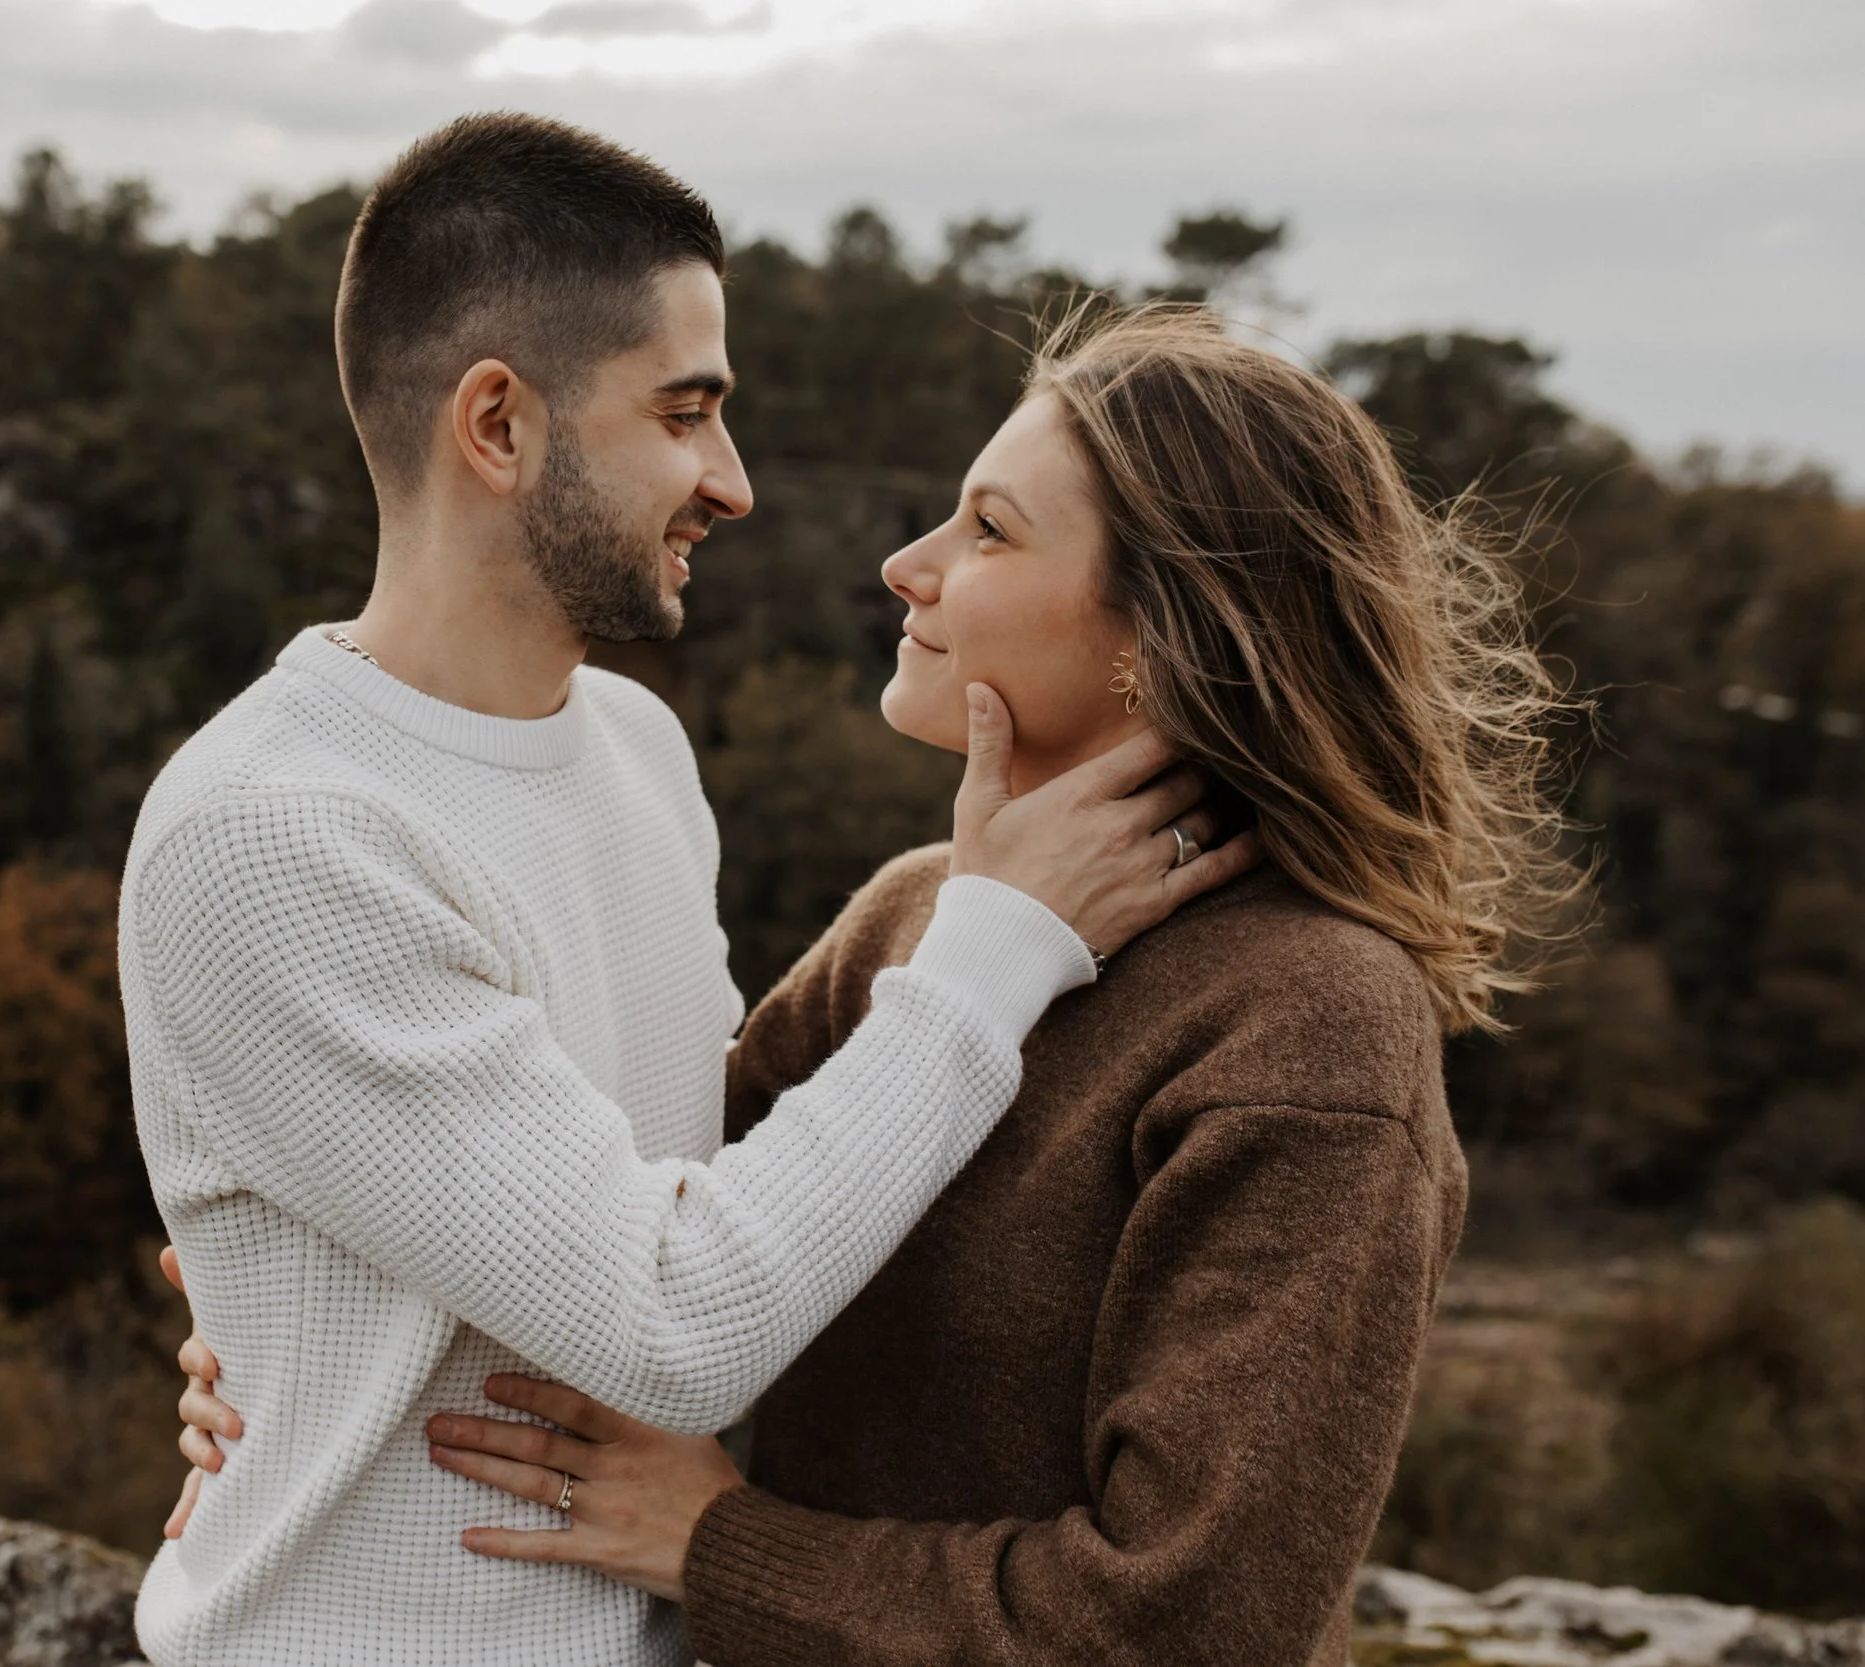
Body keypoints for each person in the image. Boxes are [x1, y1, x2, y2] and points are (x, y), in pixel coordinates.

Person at [176, 307, 1581, 1664]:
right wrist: (313, 1333)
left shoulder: (1312, 1019)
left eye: (988, 529)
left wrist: (722, 1548)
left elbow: (1196, 1627)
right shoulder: (917, 921)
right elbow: (638, 1241)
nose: (909, 564)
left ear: (1164, 636)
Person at [120, 117, 1251, 1667]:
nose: (733, 479)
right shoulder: (277, 834)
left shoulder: (638, 753)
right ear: (500, 427)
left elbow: (699, 1196)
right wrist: (1003, 937)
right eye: (685, 411)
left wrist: (310, 1323)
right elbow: (673, 1313)